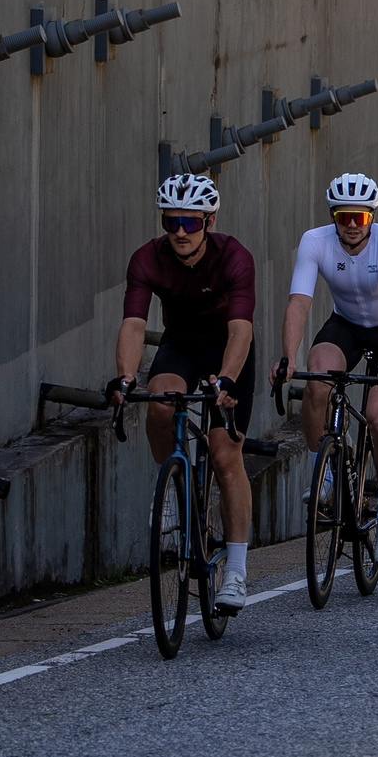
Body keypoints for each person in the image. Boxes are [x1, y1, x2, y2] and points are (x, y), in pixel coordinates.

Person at [110, 172, 258, 610]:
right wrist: (124, 376)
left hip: (227, 348)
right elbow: (134, 324)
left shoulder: (234, 258)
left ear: (209, 222)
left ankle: (235, 568)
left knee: (224, 450)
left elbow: (241, 329)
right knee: (159, 402)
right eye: (171, 221)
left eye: (190, 223)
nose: (179, 232)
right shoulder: (147, 260)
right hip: (180, 344)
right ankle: (173, 488)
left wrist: (227, 379)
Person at [276, 173, 378, 561]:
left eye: (361, 218)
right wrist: (289, 356)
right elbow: (299, 303)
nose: (352, 226)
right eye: (344, 217)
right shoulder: (314, 241)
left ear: (373, 217)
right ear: (333, 217)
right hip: (348, 324)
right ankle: (325, 469)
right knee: (318, 376)